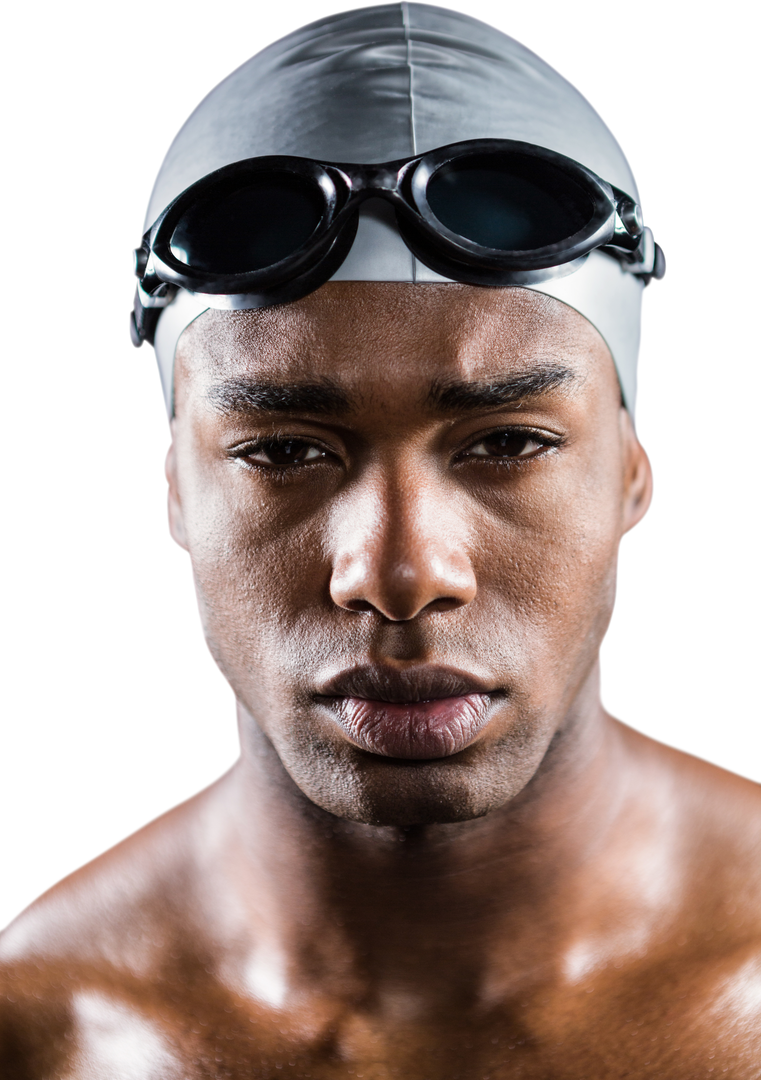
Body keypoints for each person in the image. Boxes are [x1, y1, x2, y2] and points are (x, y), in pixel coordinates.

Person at [2, 4, 758, 1077]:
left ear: (630, 468)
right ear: (174, 486)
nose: (399, 576)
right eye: (282, 452)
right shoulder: (37, 1032)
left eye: (505, 440)